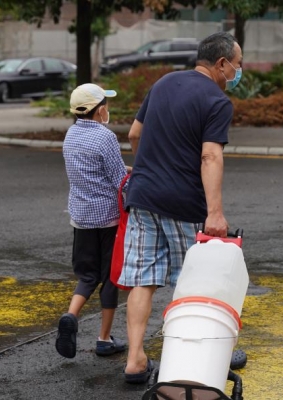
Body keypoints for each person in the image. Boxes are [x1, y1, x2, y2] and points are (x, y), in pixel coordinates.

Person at [117, 32, 242, 384]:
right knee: (199, 282)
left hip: (142, 197)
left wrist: (147, 170)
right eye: (237, 65)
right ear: (221, 64)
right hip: (185, 204)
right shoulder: (216, 101)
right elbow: (210, 155)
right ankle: (205, 353)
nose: (237, 72)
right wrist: (214, 212)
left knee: (143, 280)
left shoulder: (164, 82)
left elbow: (134, 134)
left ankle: (135, 359)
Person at [56, 83, 130, 359]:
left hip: (81, 217)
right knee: (110, 277)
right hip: (107, 219)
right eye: (106, 106)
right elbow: (118, 181)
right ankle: (104, 338)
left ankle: (71, 316)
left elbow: (92, 171)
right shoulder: (105, 137)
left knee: (87, 274)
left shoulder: (71, 135)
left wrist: (124, 170)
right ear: (100, 110)